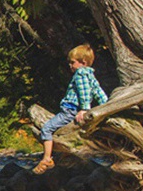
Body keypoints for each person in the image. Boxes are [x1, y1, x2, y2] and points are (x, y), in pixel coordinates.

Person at [33, 43, 107, 174]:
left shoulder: (80, 74)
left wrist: (84, 109)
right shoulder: (90, 75)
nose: (70, 65)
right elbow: (98, 92)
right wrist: (105, 106)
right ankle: (59, 157)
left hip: (70, 110)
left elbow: (83, 92)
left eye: (72, 62)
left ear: (83, 62)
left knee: (46, 129)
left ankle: (47, 158)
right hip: (73, 110)